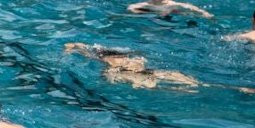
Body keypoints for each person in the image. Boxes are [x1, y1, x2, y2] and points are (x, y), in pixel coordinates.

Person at [65, 43, 203, 90]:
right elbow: (76, 46)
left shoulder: (110, 60)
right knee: (150, 82)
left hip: (136, 72)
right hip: (130, 72)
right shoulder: (124, 61)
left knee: (173, 75)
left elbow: (76, 47)